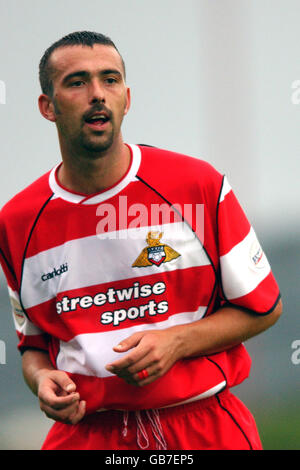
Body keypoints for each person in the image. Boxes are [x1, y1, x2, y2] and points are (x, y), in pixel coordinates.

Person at [0, 31, 282, 451]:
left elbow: (264, 309)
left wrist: (176, 342)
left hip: (202, 427)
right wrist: (42, 380)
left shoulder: (198, 186)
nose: (97, 94)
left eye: (109, 80)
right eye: (77, 82)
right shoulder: (17, 221)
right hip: (87, 434)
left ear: (126, 98)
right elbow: (34, 348)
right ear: (48, 106)